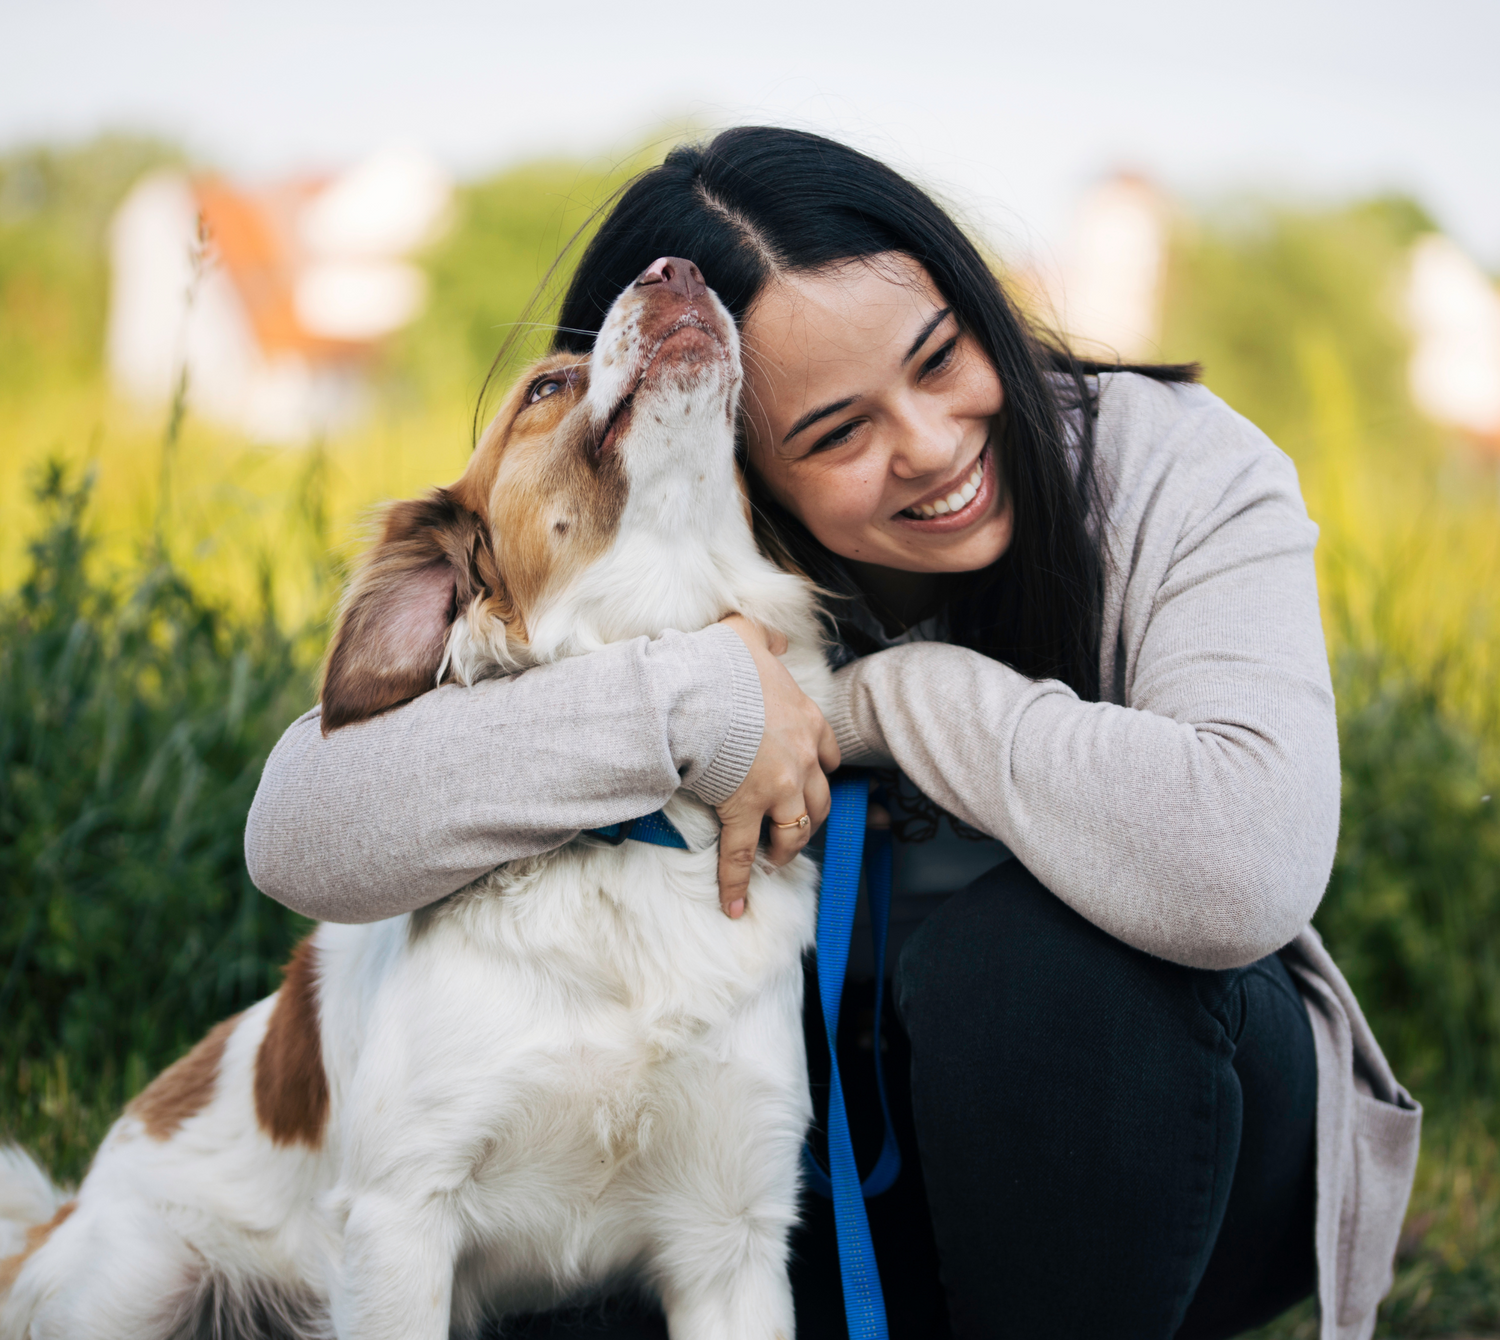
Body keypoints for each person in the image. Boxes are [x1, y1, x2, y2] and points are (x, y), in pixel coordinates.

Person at [246, 128, 1420, 1339]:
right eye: (838, 435)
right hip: (806, 1188)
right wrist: (696, 699)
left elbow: (1246, 862)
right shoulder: (695, 569)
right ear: (734, 451)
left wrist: (881, 702)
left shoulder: (1174, 466)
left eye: (941, 356)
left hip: (1175, 1149)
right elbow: (301, 831)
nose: (931, 445)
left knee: (1029, 960)